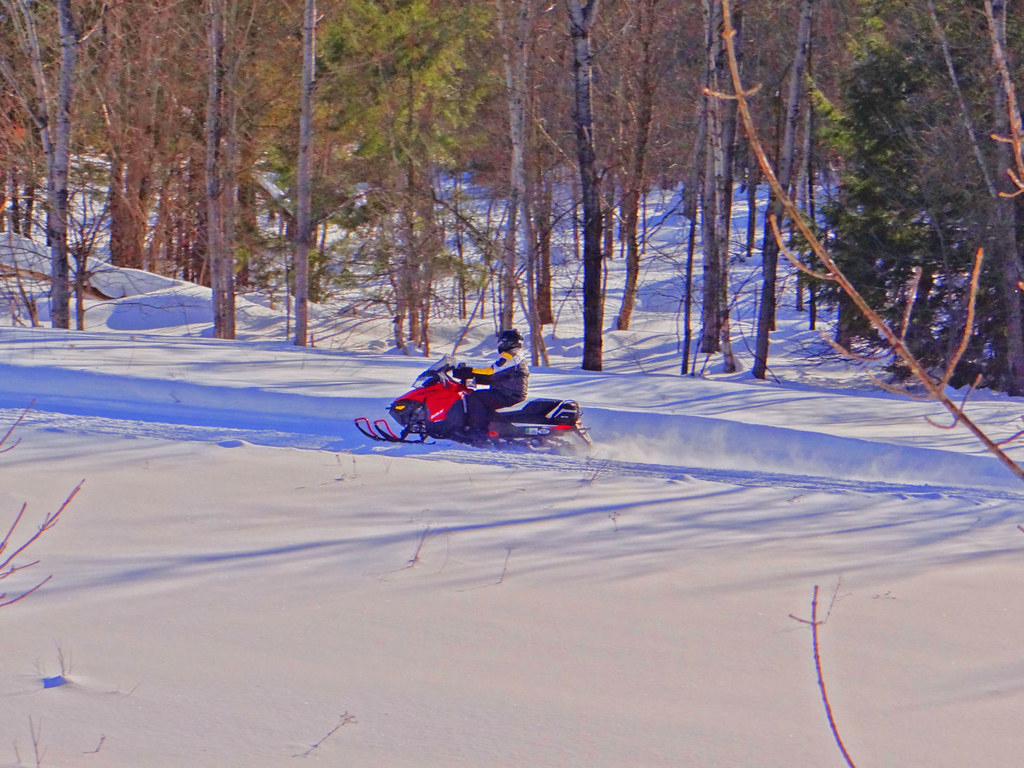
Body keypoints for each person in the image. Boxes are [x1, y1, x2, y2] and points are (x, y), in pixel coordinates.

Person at [453, 329, 529, 438]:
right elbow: (499, 376)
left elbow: (491, 371)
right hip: (510, 392)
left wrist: (469, 371)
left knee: (475, 397)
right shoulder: (517, 356)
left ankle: (478, 431)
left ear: (507, 342)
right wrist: (476, 378)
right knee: (481, 396)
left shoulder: (509, 356)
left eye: (502, 342)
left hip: (508, 394)